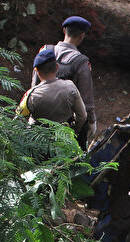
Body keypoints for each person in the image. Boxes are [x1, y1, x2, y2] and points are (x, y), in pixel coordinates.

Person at [32, 16, 96, 147]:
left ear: (64, 30)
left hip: (38, 125)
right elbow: (86, 101)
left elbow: (34, 86)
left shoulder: (45, 51)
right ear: (82, 35)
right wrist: (91, 123)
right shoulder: (81, 63)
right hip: (64, 130)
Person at [16, 48, 87, 133]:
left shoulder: (32, 95)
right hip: (63, 139)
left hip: (36, 141)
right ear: (57, 67)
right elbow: (82, 116)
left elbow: (18, 120)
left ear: (37, 71)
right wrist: (74, 131)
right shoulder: (70, 87)